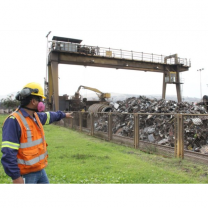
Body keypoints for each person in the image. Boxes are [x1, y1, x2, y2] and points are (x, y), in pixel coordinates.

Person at [1, 82, 73, 184]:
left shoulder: (36, 117)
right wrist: (16, 177)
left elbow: (50, 116)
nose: (42, 103)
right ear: (34, 101)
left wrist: (63, 115)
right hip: (26, 174)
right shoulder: (13, 121)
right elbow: (8, 152)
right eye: (41, 100)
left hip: (39, 170)